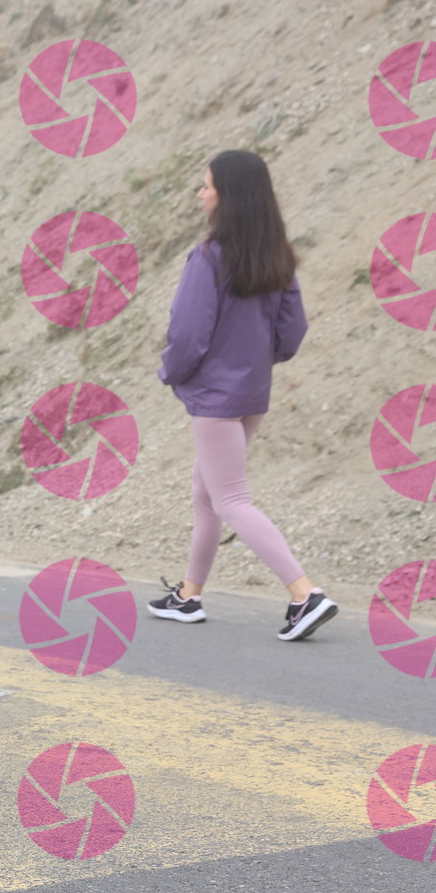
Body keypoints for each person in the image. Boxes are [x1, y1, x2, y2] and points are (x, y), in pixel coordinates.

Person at [149, 149, 336, 641]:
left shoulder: (209, 257)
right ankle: (189, 595)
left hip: (216, 397)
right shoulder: (276, 257)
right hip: (251, 394)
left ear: (228, 196)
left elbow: (188, 333)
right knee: (206, 492)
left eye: (207, 186)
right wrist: (255, 361)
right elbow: (292, 331)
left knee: (230, 498)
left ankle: (304, 594)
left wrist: (172, 372)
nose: (200, 194)